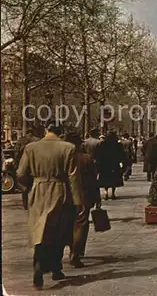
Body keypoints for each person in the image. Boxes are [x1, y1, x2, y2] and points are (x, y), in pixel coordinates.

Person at [16, 123, 84, 288]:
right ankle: (56, 268)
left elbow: (20, 173)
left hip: (38, 191)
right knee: (59, 232)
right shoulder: (68, 148)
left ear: (46, 131)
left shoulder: (31, 148)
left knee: (40, 231)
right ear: (60, 133)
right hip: (60, 191)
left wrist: (27, 189)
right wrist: (78, 201)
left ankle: (38, 264)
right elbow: (73, 176)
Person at [64, 132, 101, 268]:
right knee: (81, 224)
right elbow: (93, 180)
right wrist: (97, 198)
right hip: (84, 195)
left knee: (66, 223)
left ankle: (66, 248)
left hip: (65, 195)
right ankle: (76, 253)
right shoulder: (87, 158)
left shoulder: (63, 158)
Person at [95, 132, 126, 200]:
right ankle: (113, 193)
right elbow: (121, 155)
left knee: (105, 179)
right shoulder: (118, 145)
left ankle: (106, 193)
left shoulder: (102, 144)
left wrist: (98, 165)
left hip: (104, 165)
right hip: (114, 165)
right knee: (114, 179)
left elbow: (98, 155)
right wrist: (121, 163)